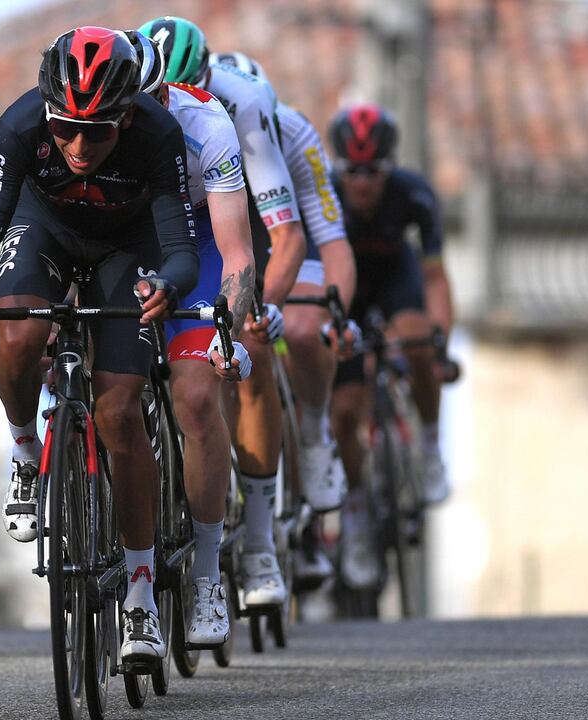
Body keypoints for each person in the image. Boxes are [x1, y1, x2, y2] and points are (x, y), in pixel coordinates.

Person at [0, 26, 200, 663]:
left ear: (128, 116)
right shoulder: (19, 125)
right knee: (19, 332)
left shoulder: (158, 133)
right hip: (44, 231)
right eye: (65, 129)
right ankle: (25, 449)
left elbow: (180, 249)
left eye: (99, 132)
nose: (79, 147)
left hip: (126, 247)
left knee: (119, 414)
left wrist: (167, 285)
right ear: (48, 113)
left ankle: (140, 593)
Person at [139, 16, 330, 614]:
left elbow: (286, 234)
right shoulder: (129, 104)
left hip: (226, 218)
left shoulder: (239, 106)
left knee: (250, 336)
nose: (172, 108)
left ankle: (259, 545)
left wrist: (261, 309)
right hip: (150, 222)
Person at [125, 31, 254, 648]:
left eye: (152, 102)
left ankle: (206, 571)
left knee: (198, 396)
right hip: (126, 233)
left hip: (197, 238)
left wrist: (227, 330)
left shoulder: (208, 124)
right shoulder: (95, 126)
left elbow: (235, 252)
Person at [210, 51, 358, 587]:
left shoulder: (292, 134)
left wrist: (331, 313)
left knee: (297, 330)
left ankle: (314, 432)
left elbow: (331, 240)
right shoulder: (199, 129)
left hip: (286, 239)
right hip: (228, 233)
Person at [325, 103, 455, 589]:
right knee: (344, 411)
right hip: (346, 290)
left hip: (396, 279)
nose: (362, 184)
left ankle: (429, 447)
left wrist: (439, 347)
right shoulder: (325, 197)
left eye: (374, 172)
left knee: (419, 342)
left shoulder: (414, 194)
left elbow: (435, 278)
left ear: (390, 167)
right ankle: (356, 513)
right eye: (352, 171)